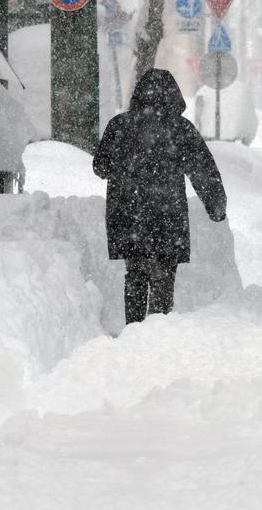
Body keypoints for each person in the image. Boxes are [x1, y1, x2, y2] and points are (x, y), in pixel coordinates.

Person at [94, 69, 227, 326]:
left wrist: (127, 165)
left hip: (128, 215)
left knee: (135, 274)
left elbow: (100, 167)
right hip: (167, 217)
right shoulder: (180, 129)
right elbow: (202, 170)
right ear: (173, 95)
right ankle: (158, 330)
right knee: (163, 276)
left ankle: (133, 330)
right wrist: (216, 206)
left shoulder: (119, 125)